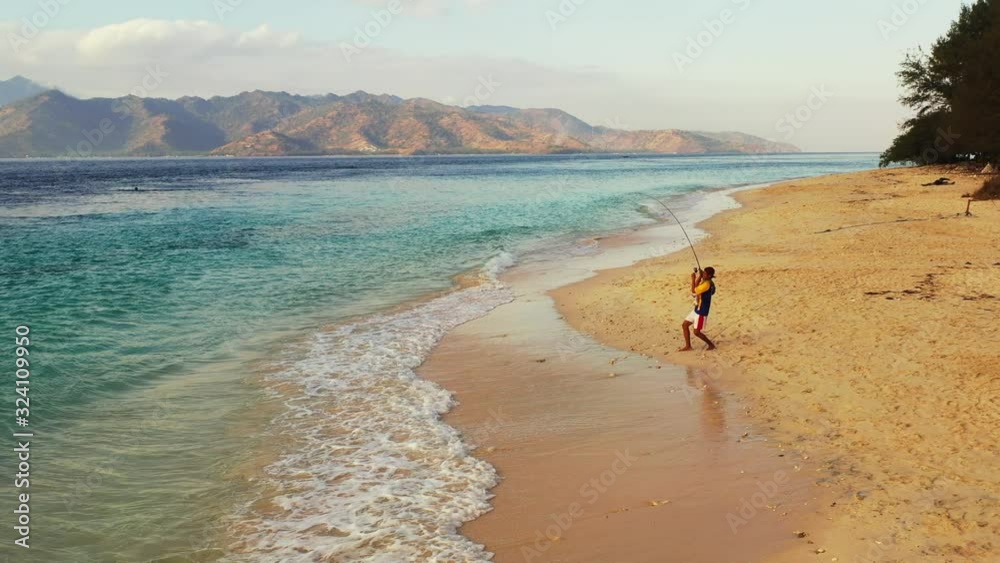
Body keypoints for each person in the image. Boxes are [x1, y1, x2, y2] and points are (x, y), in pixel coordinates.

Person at [679, 267, 716, 351]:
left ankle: (711, 345)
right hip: (697, 308)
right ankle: (688, 346)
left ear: (709, 275)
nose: (704, 275)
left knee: (696, 332)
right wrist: (699, 276)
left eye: (705, 274)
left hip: (702, 312)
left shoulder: (706, 284)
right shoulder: (705, 281)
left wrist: (693, 278)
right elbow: (696, 286)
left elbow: (693, 290)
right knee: (685, 325)